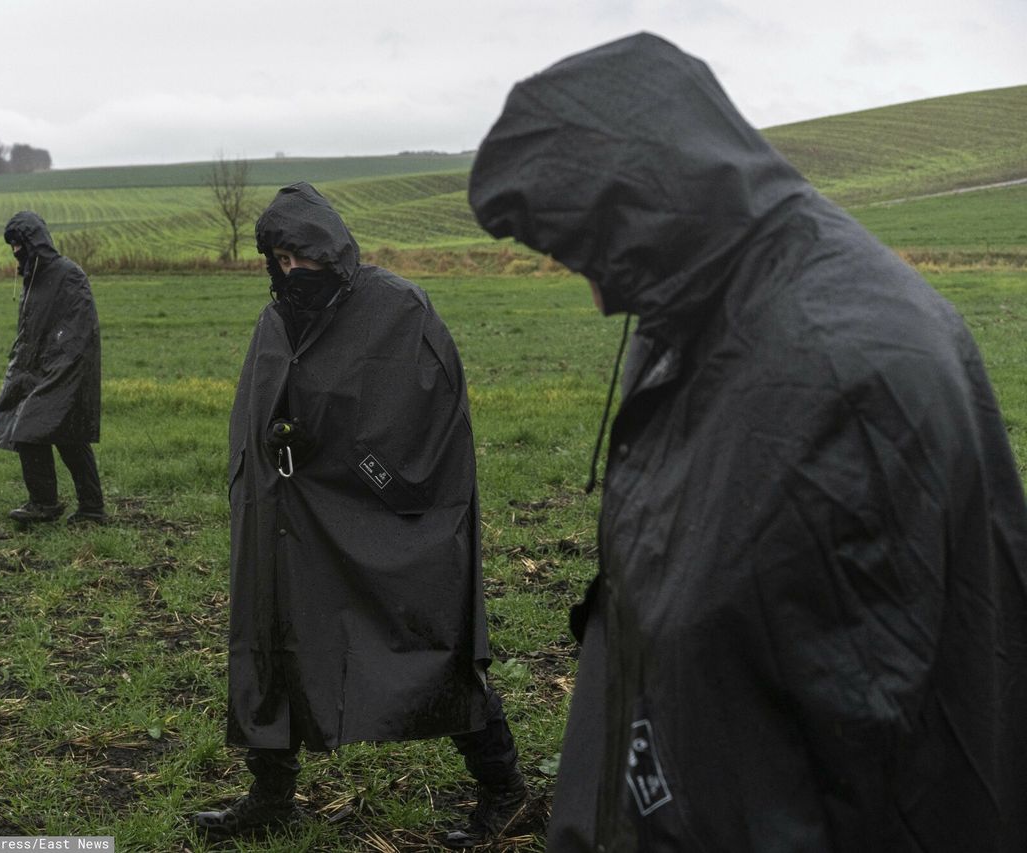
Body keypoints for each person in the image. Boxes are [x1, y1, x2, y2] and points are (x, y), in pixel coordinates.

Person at [467, 32, 1027, 853]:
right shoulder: (695, 302)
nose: (595, 293)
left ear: (643, 197)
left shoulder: (843, 368)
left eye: (590, 249)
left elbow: (858, 751)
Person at [194, 182, 526, 847]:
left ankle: (507, 790)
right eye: (280, 261)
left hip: (379, 519)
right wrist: (275, 444)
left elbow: (428, 426)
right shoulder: (276, 319)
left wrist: (337, 451)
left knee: (428, 640)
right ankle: (271, 791)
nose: (292, 272)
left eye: (302, 258)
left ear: (332, 249)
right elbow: (257, 414)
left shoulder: (399, 311)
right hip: (287, 517)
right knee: (271, 637)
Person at [0, 211, 105, 525]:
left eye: (19, 243)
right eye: (12, 244)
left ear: (34, 240)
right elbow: (30, 330)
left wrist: (59, 366)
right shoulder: (32, 277)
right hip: (39, 369)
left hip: (67, 369)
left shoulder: (68, 274)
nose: (15, 250)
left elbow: (79, 327)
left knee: (34, 431)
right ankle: (85, 507)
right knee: (65, 436)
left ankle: (49, 504)